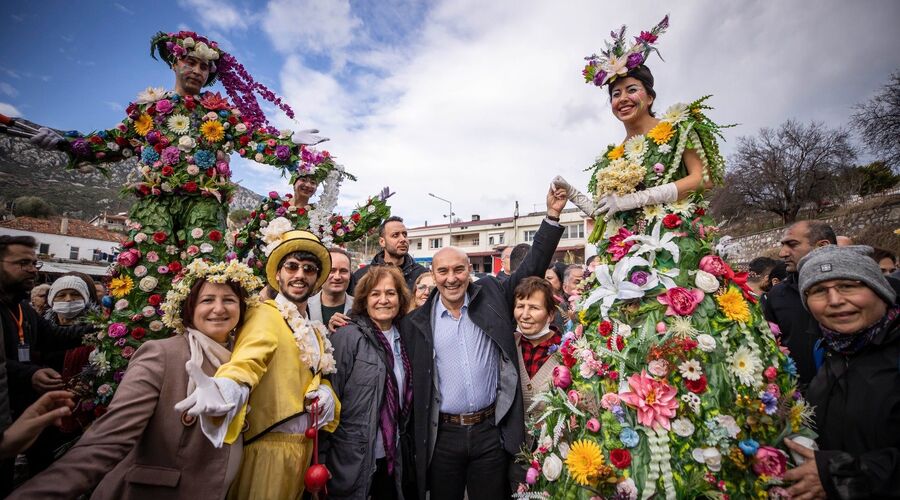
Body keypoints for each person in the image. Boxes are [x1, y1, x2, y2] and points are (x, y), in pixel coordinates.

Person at [529, 16, 812, 498]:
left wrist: (639, 199)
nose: (623, 99)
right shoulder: (610, 156)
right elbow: (604, 217)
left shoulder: (680, 128)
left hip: (675, 252)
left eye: (632, 89)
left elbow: (700, 179)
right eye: (615, 94)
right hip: (622, 262)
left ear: (650, 94)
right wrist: (575, 195)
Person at [24, 30, 326, 420]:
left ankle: (220, 374)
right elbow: (111, 142)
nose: (197, 70)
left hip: (204, 208)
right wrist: (66, 142)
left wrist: (290, 142)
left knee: (211, 279)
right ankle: (121, 378)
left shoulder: (220, 114)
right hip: (154, 206)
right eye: (191, 62)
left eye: (204, 66)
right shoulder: (149, 112)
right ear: (175, 62)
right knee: (143, 283)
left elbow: (254, 140)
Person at [9, 259, 261, 499]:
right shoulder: (162, 354)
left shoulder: (245, 358)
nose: (219, 309)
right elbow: (111, 436)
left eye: (229, 300)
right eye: (207, 300)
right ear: (189, 309)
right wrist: (40, 493)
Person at [402, 182, 566, 500]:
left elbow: (531, 268)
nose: (452, 278)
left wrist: (552, 215)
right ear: (432, 274)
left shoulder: (491, 295)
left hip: (490, 431)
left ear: (469, 271)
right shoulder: (416, 323)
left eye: (459, 269)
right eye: (443, 271)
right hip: (443, 436)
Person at [177, 228, 340, 499]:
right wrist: (226, 388)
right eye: (292, 266)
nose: (300, 274)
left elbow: (312, 376)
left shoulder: (314, 328)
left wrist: (325, 393)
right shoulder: (264, 315)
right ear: (277, 274)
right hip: (267, 455)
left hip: (302, 454)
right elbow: (247, 362)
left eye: (309, 269)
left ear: (317, 280)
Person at [783, 245, 900, 499]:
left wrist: (842, 476)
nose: (835, 301)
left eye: (848, 286)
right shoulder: (828, 350)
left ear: (880, 290)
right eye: (818, 291)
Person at [325, 266, 414, 499]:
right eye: (375, 294)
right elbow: (329, 398)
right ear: (364, 300)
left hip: (393, 455)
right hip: (352, 459)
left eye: (390, 293)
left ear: (400, 298)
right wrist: (322, 460)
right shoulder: (347, 335)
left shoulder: (406, 336)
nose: (383, 300)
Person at [762, 220, 836, 387]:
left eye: (792, 244)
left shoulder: (859, 290)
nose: (782, 253)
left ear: (822, 246)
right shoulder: (777, 295)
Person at [513, 277, 562, 426]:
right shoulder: (509, 345)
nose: (525, 315)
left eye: (534, 308)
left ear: (551, 315)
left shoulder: (566, 351)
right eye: (520, 306)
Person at [351, 216, 427, 296]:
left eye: (404, 235)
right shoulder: (362, 276)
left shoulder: (421, 274)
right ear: (382, 242)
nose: (403, 239)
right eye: (395, 235)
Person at [309, 248, 354, 331]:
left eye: (343, 271)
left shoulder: (361, 307)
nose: (337, 277)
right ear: (320, 274)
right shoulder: (304, 308)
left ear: (350, 275)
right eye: (331, 270)